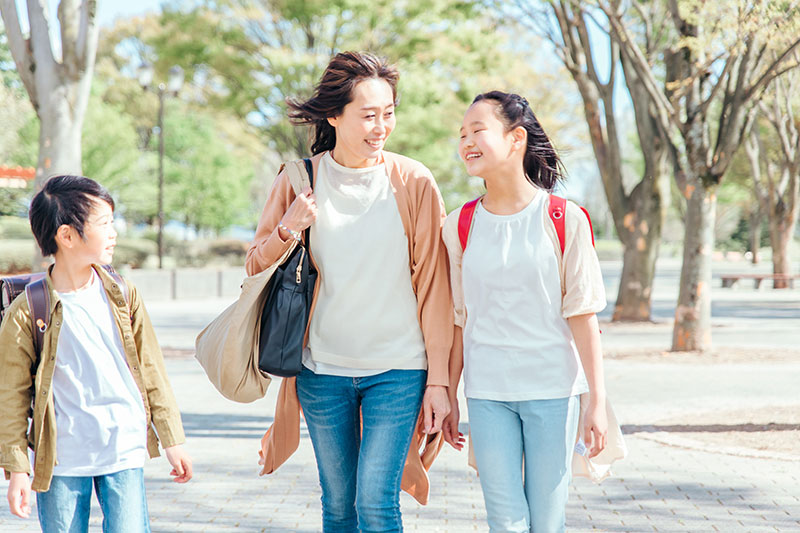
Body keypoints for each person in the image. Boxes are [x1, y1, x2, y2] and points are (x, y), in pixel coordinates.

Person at [246, 51, 453, 532]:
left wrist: (440, 381)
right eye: (368, 115)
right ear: (334, 116)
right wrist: (287, 228)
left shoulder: (414, 181)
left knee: (377, 503)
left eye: (389, 113)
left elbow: (436, 288)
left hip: (399, 370)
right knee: (338, 506)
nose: (381, 126)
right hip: (322, 371)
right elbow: (254, 266)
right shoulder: (299, 180)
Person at [440, 91, 608, 533]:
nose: (466, 142)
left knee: (547, 521)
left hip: (553, 390)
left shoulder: (564, 217)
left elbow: (583, 314)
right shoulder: (459, 224)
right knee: (505, 520)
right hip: (487, 391)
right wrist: (450, 393)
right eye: (462, 134)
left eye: (477, 130)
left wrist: (598, 402)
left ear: (516, 139)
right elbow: (458, 318)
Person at [0, 175, 192, 532]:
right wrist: (17, 470)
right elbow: (10, 396)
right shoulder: (28, 309)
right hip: (60, 460)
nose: (114, 232)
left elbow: (151, 368)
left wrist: (172, 438)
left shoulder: (121, 293)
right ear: (67, 236)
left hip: (123, 446)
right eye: (104, 223)